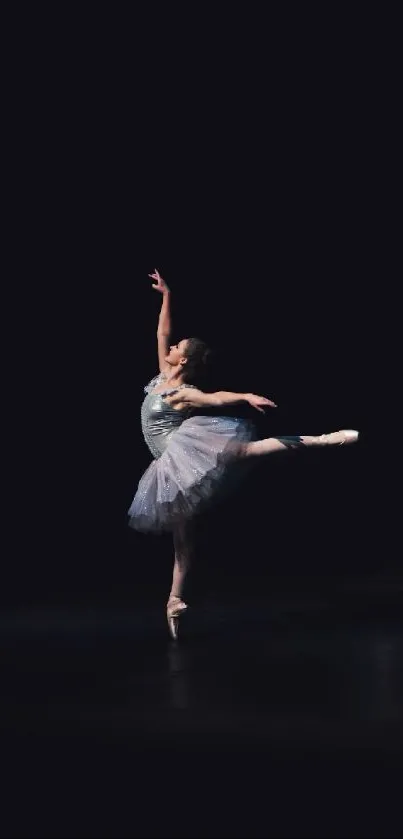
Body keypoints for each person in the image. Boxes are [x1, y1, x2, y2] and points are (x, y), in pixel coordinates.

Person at [128, 270, 359, 639]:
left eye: (177, 349)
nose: (171, 349)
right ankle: (174, 602)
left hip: (182, 453)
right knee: (183, 537)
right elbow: (161, 333)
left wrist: (245, 397)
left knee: (247, 450)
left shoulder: (181, 392)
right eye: (173, 348)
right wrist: (166, 295)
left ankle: (322, 439)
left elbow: (214, 399)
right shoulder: (161, 376)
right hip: (167, 466)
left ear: (184, 362)